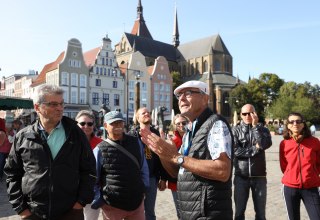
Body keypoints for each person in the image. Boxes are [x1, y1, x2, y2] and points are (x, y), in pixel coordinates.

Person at [139, 80, 234, 220]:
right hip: (190, 212)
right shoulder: (190, 130)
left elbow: (222, 171)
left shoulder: (216, 124)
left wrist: (176, 157)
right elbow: (177, 172)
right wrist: (162, 153)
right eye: (179, 95)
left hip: (208, 213)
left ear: (205, 98)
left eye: (188, 93)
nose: (181, 99)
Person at [4, 84, 96, 220]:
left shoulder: (76, 133)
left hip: (70, 212)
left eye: (61, 103)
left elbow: (89, 170)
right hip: (34, 212)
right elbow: (12, 173)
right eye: (53, 104)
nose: (59, 108)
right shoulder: (23, 136)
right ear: (37, 107)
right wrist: (21, 208)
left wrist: (80, 202)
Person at [93, 110, 149, 220]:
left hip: (136, 202)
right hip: (112, 204)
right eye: (113, 123)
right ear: (105, 125)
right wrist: (99, 199)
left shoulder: (135, 142)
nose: (118, 125)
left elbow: (143, 167)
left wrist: (144, 188)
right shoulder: (99, 149)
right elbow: (94, 177)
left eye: (120, 122)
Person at [232, 104, 272, 220]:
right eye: (244, 114)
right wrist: (256, 149)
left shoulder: (263, 129)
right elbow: (235, 151)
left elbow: (265, 144)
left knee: (260, 214)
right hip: (241, 176)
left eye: (250, 113)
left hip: (259, 176)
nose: (248, 116)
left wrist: (255, 127)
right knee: (239, 212)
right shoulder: (235, 130)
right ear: (240, 115)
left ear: (255, 114)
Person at [279, 112, 320, 220]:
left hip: (311, 187)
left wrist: (312, 174)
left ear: (303, 124)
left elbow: (318, 163)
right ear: (288, 125)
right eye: (291, 122)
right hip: (290, 188)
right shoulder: (284, 144)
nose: (295, 124)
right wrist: (291, 175)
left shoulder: (315, 142)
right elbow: (284, 165)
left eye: (298, 121)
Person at [131, 107, 168, 220]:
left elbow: (161, 156)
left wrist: (163, 178)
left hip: (152, 177)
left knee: (150, 212)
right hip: (136, 178)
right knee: (135, 211)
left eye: (148, 112)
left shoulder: (156, 133)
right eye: (143, 113)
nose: (147, 114)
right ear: (137, 118)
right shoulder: (132, 135)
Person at [75, 110, 103, 220]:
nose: (86, 126)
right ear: (76, 124)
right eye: (82, 123)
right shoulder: (69, 142)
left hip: (93, 190)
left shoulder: (101, 144)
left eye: (90, 123)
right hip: (73, 190)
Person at [167, 114, 189, 219]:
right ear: (174, 125)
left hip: (192, 180)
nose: (181, 125)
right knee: (180, 211)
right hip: (176, 181)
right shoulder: (172, 141)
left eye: (183, 123)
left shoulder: (194, 138)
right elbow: (168, 162)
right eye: (178, 123)